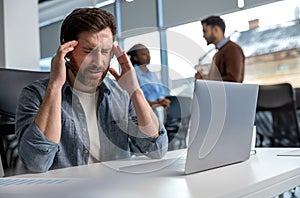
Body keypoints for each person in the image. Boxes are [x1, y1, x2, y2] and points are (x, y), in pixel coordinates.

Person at [15, 8, 168, 173]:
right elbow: (37, 162)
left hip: (116, 188)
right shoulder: (36, 95)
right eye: (88, 51)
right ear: (67, 51)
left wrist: (135, 90)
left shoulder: (122, 93)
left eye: (105, 51)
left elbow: (157, 149)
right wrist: (55, 86)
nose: (99, 62)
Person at [127, 44, 170, 124]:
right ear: (135, 58)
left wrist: (161, 100)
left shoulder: (152, 75)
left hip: (155, 111)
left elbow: (161, 91)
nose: (148, 56)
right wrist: (157, 103)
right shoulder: (132, 74)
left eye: (148, 53)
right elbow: (135, 99)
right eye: (144, 54)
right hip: (140, 115)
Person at [195, 16, 245, 82]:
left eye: (205, 31)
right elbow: (215, 79)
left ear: (216, 29)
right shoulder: (217, 54)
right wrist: (203, 78)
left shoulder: (232, 49)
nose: (203, 36)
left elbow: (233, 80)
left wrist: (206, 79)